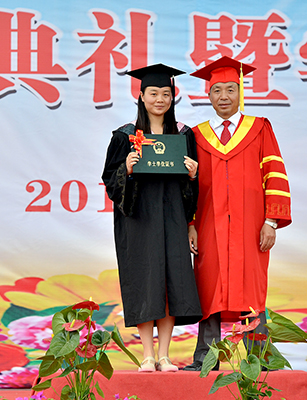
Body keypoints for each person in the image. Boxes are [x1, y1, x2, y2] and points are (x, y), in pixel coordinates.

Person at [183, 56, 292, 371]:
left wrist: (271, 221)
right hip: (209, 225)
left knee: (250, 287)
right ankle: (206, 359)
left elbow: (275, 174)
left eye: (231, 89)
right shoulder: (196, 135)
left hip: (251, 225)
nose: (224, 97)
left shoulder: (259, 128)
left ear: (240, 92)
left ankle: (260, 359)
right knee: (209, 286)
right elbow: (188, 186)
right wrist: (190, 224)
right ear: (208, 95)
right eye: (217, 90)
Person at [102, 64, 202, 373]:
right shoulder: (124, 136)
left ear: (173, 97)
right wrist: (127, 169)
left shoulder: (183, 135)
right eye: (154, 93)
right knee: (145, 281)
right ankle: (147, 355)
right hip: (139, 219)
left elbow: (194, 187)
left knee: (171, 280)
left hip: (173, 217)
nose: (160, 99)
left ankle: (165, 355)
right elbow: (110, 181)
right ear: (141, 95)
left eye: (166, 94)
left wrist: (193, 175)